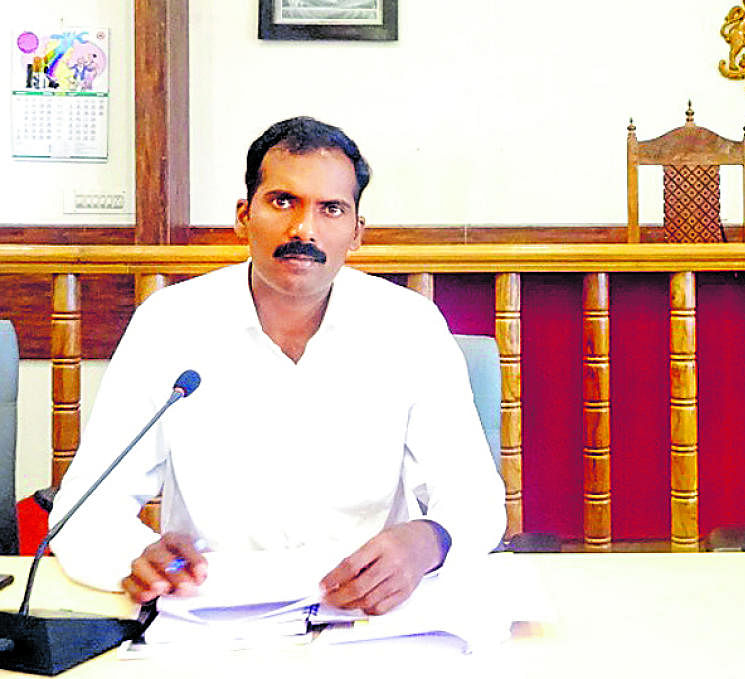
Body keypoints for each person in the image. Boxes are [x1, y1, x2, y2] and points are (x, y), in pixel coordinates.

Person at [49, 117, 505, 613]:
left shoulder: (409, 326)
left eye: (331, 209)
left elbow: (474, 500)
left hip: (368, 611)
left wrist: (427, 542)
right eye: (283, 201)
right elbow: (85, 510)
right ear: (244, 216)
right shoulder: (169, 324)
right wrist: (136, 556)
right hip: (211, 608)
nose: (303, 229)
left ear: (357, 231)